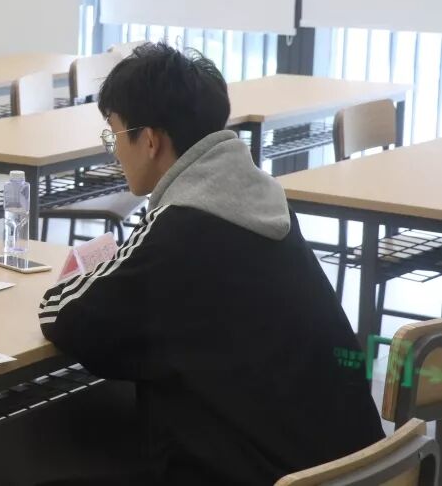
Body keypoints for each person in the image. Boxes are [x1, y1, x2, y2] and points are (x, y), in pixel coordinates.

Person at [37, 43, 384, 485]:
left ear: (149, 141)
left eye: (114, 136)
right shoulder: (263, 201)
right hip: (358, 470)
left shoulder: (179, 227)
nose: (114, 152)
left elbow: (64, 316)